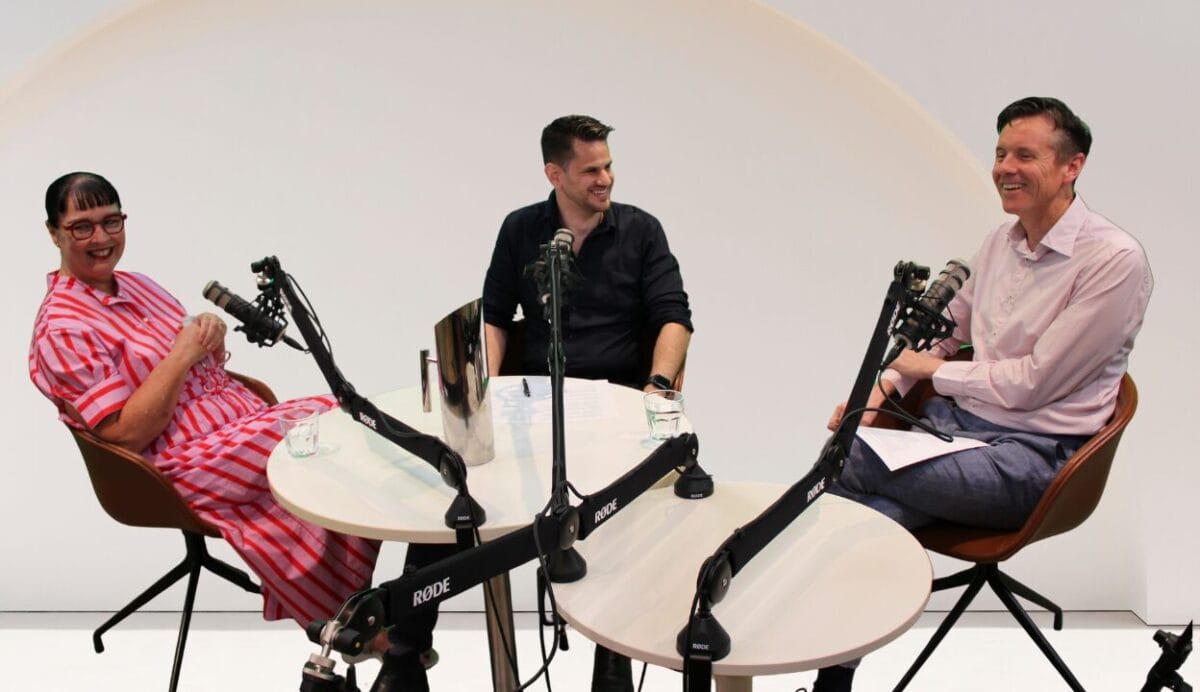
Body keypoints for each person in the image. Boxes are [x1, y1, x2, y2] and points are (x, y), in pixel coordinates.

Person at [27, 172, 422, 692]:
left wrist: (207, 337)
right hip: (176, 459)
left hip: (233, 422)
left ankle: (360, 609)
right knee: (322, 438)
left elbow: (190, 359)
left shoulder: (139, 285)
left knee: (342, 419)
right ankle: (357, 623)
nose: (100, 238)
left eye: (111, 221)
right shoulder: (63, 328)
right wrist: (182, 353)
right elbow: (125, 433)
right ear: (54, 233)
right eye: (82, 227)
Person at [817, 97, 1152, 692]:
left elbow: (1032, 383)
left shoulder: (1113, 261)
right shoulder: (1000, 242)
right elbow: (945, 335)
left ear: (1071, 166)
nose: (1005, 168)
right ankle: (831, 680)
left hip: (1031, 458)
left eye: (1025, 155)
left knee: (848, 462)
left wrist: (924, 371)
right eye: (1000, 154)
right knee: (872, 515)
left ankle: (798, 642)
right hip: (951, 435)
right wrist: (881, 393)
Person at [482, 115, 694, 691]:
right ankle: (406, 649)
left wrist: (658, 386)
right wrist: (490, 392)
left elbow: (674, 316)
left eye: (608, 166)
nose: (605, 179)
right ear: (554, 174)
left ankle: (614, 656)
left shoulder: (641, 231)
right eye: (590, 170)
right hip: (537, 399)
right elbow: (494, 316)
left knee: (622, 516)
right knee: (460, 491)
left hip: (619, 397)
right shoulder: (520, 229)